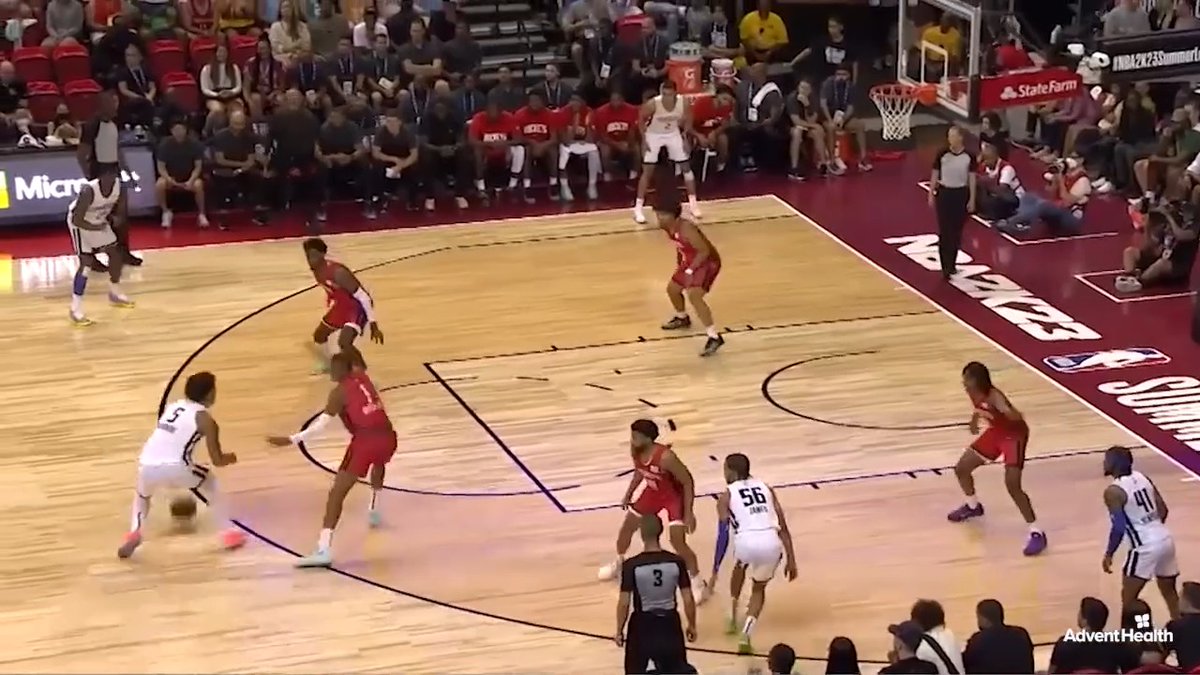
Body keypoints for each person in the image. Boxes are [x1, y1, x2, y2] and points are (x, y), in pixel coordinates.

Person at [267, 349, 396, 567]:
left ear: (340, 370)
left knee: (336, 494)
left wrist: (292, 439)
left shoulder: (338, 393)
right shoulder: (362, 377)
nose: (330, 371)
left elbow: (319, 427)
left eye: (333, 368)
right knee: (379, 462)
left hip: (365, 442)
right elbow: (341, 363)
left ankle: (323, 549)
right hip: (388, 437)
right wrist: (319, 353)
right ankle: (374, 509)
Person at [117, 371, 244, 558]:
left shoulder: (173, 407)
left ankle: (135, 531)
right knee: (211, 484)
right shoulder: (207, 421)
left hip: (147, 464)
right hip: (178, 467)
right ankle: (229, 533)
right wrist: (230, 458)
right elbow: (217, 460)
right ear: (210, 393)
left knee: (142, 496)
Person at [598, 420, 707, 603]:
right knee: (627, 528)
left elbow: (688, 481)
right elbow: (639, 472)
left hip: (673, 497)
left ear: (648, 439)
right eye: (632, 435)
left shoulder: (666, 457)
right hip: (653, 491)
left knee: (677, 542)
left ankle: (697, 581)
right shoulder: (636, 450)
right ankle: (619, 562)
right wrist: (629, 494)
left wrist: (689, 513)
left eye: (636, 436)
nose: (632, 440)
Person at [947, 361, 1046, 556]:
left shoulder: (995, 396)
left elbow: (1015, 416)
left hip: (1014, 436)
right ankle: (973, 506)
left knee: (1012, 485)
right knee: (961, 469)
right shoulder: (972, 392)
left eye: (967, 380)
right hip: (997, 433)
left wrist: (1010, 413)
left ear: (978, 381)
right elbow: (978, 408)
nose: (964, 383)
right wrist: (974, 421)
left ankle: (1036, 532)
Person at [708, 453, 797, 654]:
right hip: (771, 542)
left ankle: (732, 614)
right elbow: (782, 526)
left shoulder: (726, 495)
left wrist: (715, 568)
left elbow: (723, 535)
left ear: (732, 472)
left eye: (725, 469)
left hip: (746, 542)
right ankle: (746, 635)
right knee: (758, 590)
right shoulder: (767, 488)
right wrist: (791, 559)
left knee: (740, 565)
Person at [1102, 445, 1181, 619]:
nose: (1104, 463)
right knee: (1170, 594)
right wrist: (1153, 529)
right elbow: (1163, 510)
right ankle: (1184, 631)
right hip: (1165, 539)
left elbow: (1119, 527)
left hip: (1144, 547)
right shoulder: (1143, 477)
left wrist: (1109, 554)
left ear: (1114, 464)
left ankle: (1135, 635)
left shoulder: (1113, 491)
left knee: (1128, 600)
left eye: (1106, 460)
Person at [614, 514, 697, 675]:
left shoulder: (631, 565)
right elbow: (688, 598)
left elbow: (624, 602)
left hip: (642, 626)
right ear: (661, 531)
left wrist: (619, 630)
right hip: (670, 625)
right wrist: (692, 625)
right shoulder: (676, 561)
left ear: (641, 533)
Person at [77, 88, 142, 267]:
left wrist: (128, 172)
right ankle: (90, 257)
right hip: (100, 173)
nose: (115, 106)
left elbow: (117, 150)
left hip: (115, 172)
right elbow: (81, 154)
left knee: (122, 215)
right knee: (94, 217)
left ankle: (123, 252)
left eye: (116, 102)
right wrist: (90, 178)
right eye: (112, 102)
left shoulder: (113, 124)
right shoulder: (92, 125)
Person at [655, 191, 724, 356]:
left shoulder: (687, 228)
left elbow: (704, 251)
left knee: (694, 296)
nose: (658, 218)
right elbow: (680, 247)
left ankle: (714, 336)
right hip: (691, 260)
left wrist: (690, 269)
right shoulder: (668, 227)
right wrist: (680, 264)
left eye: (662, 215)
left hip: (707, 262)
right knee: (672, 289)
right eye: (657, 214)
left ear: (672, 216)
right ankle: (682, 318)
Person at [67, 163, 135, 326]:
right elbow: (77, 219)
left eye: (114, 175)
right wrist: (96, 228)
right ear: (100, 177)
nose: (111, 179)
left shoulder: (120, 188)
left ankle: (114, 292)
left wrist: (116, 219)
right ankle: (75, 309)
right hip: (80, 224)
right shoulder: (88, 191)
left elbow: (120, 213)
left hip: (99, 221)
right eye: (108, 175)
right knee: (86, 263)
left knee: (115, 254)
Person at [302, 237, 383, 372]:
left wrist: (373, 323)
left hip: (356, 307)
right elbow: (333, 289)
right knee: (319, 335)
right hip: (341, 305)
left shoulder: (338, 272)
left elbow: (363, 297)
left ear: (323, 254)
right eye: (308, 256)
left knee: (344, 342)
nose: (311, 259)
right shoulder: (316, 270)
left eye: (314, 255)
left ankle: (361, 371)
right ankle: (328, 364)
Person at [633, 79, 699, 224]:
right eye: (664, 94)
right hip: (653, 135)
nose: (666, 97)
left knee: (686, 167)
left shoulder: (684, 103)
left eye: (669, 94)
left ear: (675, 93)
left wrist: (685, 136)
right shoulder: (653, 104)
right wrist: (644, 140)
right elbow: (641, 119)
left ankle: (693, 204)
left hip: (672, 134)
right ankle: (638, 209)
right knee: (648, 171)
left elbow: (689, 117)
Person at [928, 126, 976, 280]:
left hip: (960, 194)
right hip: (944, 194)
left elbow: (972, 178)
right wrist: (931, 193)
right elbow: (935, 173)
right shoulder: (942, 153)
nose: (950, 139)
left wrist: (972, 199)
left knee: (956, 231)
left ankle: (952, 263)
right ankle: (945, 267)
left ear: (960, 138)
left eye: (953, 136)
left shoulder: (969, 156)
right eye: (949, 136)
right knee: (945, 231)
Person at [208, 109, 270, 228]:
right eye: (236, 123)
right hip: (224, 169)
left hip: (243, 170)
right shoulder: (220, 136)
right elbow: (220, 160)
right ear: (230, 122)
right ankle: (223, 215)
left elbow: (250, 159)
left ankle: (258, 211)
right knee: (222, 181)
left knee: (257, 178)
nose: (239, 127)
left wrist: (245, 167)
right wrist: (240, 165)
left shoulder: (248, 137)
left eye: (241, 123)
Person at [1118, 201, 1198, 293]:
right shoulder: (1167, 226)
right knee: (1129, 252)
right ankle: (1130, 276)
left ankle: (1140, 282)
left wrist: (1169, 218)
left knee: (1160, 264)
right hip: (1162, 256)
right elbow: (1153, 246)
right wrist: (1149, 226)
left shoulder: (1193, 229)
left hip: (1177, 265)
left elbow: (1180, 235)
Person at [316, 106, 371, 219]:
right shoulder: (324, 129)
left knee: (365, 164)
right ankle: (321, 206)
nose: (334, 119)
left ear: (344, 117)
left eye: (337, 117)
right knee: (321, 168)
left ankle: (367, 202)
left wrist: (351, 157)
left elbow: (360, 149)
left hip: (349, 158)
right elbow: (318, 150)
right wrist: (328, 158)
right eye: (332, 117)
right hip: (331, 158)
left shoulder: (352, 127)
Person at [156, 119, 210, 228]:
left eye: (181, 129)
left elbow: (198, 166)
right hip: (171, 177)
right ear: (171, 131)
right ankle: (166, 212)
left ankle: (202, 214)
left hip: (190, 177)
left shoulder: (194, 144)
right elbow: (161, 167)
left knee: (198, 185)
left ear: (186, 130)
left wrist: (191, 180)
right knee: (159, 184)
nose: (179, 132)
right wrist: (169, 179)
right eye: (176, 130)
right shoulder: (164, 145)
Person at [513, 90, 563, 203]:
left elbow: (554, 138)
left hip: (544, 144)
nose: (534, 103)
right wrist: (532, 143)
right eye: (532, 101)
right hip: (528, 145)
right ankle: (527, 187)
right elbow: (518, 138)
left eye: (537, 100)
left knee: (553, 151)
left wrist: (543, 145)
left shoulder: (550, 115)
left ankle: (553, 184)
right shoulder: (519, 114)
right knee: (526, 151)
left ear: (543, 102)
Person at [468, 99, 523, 202]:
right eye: (490, 111)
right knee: (477, 151)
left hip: (504, 149)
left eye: (496, 111)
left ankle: (513, 184)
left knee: (519, 149)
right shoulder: (478, 118)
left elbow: (519, 139)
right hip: (486, 150)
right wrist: (488, 144)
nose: (493, 114)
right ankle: (481, 187)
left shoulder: (509, 117)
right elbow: (472, 140)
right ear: (486, 111)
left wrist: (506, 144)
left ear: (501, 111)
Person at [961, 599, 1035, 674]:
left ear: (984, 620)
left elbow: (963, 663)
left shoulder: (978, 640)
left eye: (978, 617)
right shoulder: (1021, 634)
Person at [370, 108, 421, 211]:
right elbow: (376, 153)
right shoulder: (381, 132)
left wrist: (400, 166)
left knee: (414, 168)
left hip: (404, 159)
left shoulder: (407, 133)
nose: (391, 125)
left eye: (394, 122)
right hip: (388, 158)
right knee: (376, 167)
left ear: (400, 122)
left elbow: (414, 155)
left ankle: (412, 200)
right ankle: (379, 198)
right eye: (388, 121)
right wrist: (393, 159)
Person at [556, 93, 600, 202]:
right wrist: (575, 122)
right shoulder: (562, 113)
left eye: (577, 101)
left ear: (583, 102)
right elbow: (565, 140)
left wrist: (586, 125)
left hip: (583, 142)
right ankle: (564, 187)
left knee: (594, 151)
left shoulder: (589, 112)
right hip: (568, 144)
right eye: (572, 100)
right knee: (564, 152)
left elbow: (591, 139)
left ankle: (592, 185)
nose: (574, 103)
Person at [592, 89, 641, 183]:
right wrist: (617, 145)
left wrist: (628, 143)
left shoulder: (633, 110)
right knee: (605, 151)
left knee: (636, 149)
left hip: (626, 139)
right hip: (608, 141)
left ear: (623, 100)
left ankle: (634, 174)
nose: (615, 102)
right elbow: (602, 135)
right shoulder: (600, 112)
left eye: (618, 100)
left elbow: (633, 130)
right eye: (612, 100)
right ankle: (607, 174)